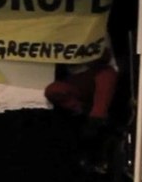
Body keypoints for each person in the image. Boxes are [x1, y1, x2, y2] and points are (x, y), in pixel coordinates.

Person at [44, 40, 118, 172]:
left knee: (105, 77)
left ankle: (97, 118)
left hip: (101, 71)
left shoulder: (96, 26)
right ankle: (83, 110)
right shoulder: (62, 32)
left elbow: (105, 57)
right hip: (78, 80)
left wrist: (85, 53)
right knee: (53, 90)